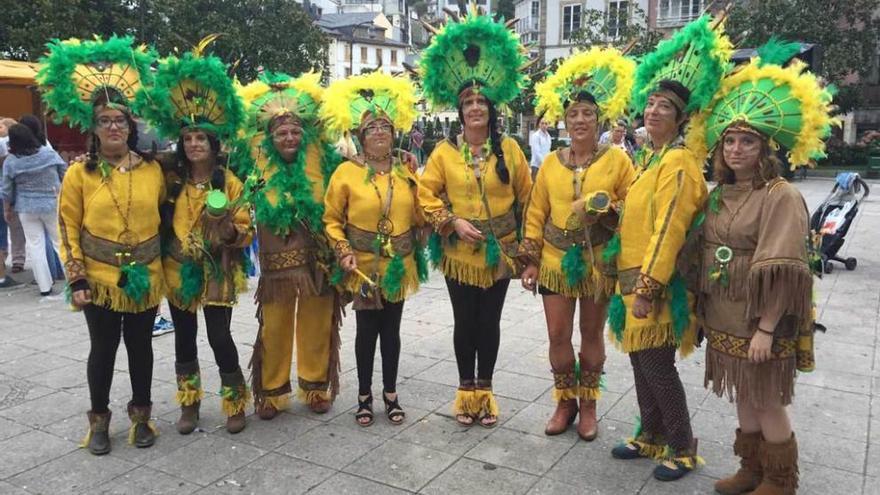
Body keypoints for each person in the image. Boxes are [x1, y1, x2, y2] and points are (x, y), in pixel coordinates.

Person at [686, 43, 835, 494]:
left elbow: (786, 270)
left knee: (767, 397)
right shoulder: (717, 194)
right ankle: (752, 469)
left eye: (747, 140)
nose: (735, 149)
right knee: (742, 393)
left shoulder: (780, 195)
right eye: (729, 140)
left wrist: (767, 328)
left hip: (760, 320)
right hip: (724, 316)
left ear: (766, 147)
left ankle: (780, 479)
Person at [606, 15, 730, 481]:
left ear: (680, 119)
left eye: (664, 108)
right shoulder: (649, 160)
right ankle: (650, 433)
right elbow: (640, 219)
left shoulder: (678, 162)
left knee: (657, 366)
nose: (653, 112)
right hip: (632, 277)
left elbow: (669, 228)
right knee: (641, 362)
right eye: (650, 104)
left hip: (653, 284)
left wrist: (649, 286)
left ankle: (682, 445)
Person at [42, 36, 164, 455]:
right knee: (103, 350)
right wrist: (76, 279)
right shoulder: (80, 174)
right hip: (98, 279)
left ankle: (142, 418)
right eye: (105, 120)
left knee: (142, 348)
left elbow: (170, 215)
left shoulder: (152, 170)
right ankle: (99, 421)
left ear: (131, 127)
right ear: (93, 128)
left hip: (146, 277)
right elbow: (67, 226)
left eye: (121, 120)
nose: (114, 127)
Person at [418, 9, 532, 427]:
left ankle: (487, 390)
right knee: (464, 321)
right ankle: (466, 391)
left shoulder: (512, 150)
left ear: (492, 109)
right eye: (469, 102)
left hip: (500, 252)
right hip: (459, 252)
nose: (476, 108)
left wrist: (527, 251)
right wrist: (451, 222)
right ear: (460, 111)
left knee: (491, 322)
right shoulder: (444, 153)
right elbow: (425, 195)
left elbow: (529, 201)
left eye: (482, 101)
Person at [522, 47, 636, 440]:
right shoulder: (552, 162)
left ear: (599, 118)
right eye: (573, 114)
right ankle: (564, 401)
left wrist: (605, 208)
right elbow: (536, 212)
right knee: (557, 335)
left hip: (597, 260)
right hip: (554, 259)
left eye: (588, 113)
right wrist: (531, 260)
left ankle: (589, 405)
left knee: (590, 334)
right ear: (564, 120)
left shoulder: (618, 160)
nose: (581, 119)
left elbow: (633, 206)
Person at [140, 46, 253, 434]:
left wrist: (229, 230)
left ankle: (235, 403)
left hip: (217, 269)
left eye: (200, 138)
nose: (193, 144)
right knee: (183, 339)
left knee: (221, 337)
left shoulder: (228, 181)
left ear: (213, 142)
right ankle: (189, 405)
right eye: (187, 138)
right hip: (177, 269)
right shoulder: (170, 179)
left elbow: (245, 228)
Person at [238, 72, 343, 419]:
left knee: (316, 319)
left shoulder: (319, 157)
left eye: (295, 131)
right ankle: (270, 392)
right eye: (281, 133)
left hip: (317, 258)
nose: (289, 138)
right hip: (275, 260)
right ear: (270, 138)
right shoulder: (256, 160)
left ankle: (314, 387)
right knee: (275, 321)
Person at [321, 72, 424, 427]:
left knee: (391, 332)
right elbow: (331, 219)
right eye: (371, 129)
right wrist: (342, 249)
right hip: (362, 266)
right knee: (366, 331)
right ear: (361, 137)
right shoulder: (346, 173)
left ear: (394, 134)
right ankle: (364, 395)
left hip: (398, 266)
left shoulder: (407, 171)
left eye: (385, 127)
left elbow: (422, 210)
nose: (379, 132)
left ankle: (390, 394)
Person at [1, 124, 66, 295]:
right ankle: (73, 283)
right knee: (60, 243)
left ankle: (45, 287)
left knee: (35, 245)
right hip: (51, 203)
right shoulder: (48, 154)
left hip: (26, 207)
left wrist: (7, 209)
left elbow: (6, 190)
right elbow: (64, 172)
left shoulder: (11, 161)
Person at [0, 117, 27, 274]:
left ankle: (11, 259)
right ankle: (17, 259)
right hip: (10, 192)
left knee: (11, 227)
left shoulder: (6, 143)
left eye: (1, 126)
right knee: (15, 228)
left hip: (9, 192)